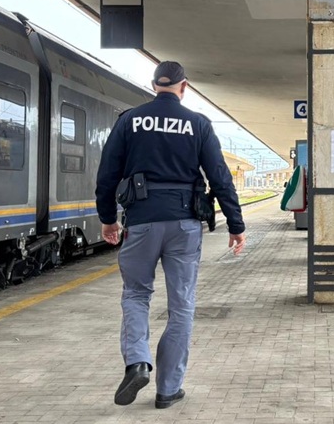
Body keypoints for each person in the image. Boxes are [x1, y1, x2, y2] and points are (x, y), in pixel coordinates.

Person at [95, 61, 246, 409]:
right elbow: (220, 177)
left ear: (154, 85)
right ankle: (168, 389)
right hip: (184, 224)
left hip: (142, 221)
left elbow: (107, 174)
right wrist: (236, 225)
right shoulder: (198, 124)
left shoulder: (130, 120)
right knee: (181, 306)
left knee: (136, 293)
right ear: (184, 87)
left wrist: (108, 220)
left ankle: (137, 362)